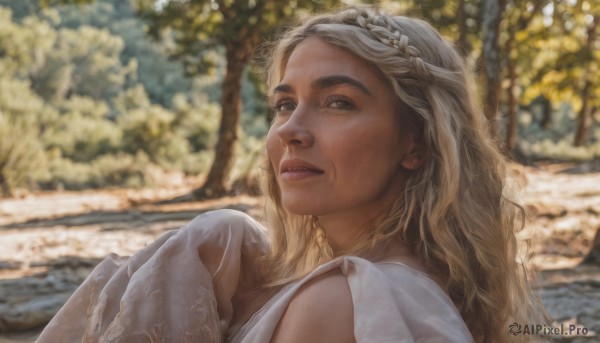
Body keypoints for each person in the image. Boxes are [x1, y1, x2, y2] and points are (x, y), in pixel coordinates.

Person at [36, 6, 545, 343]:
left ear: (416, 142)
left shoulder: (339, 304)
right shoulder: (420, 282)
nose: (291, 132)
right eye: (284, 104)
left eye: (338, 102)